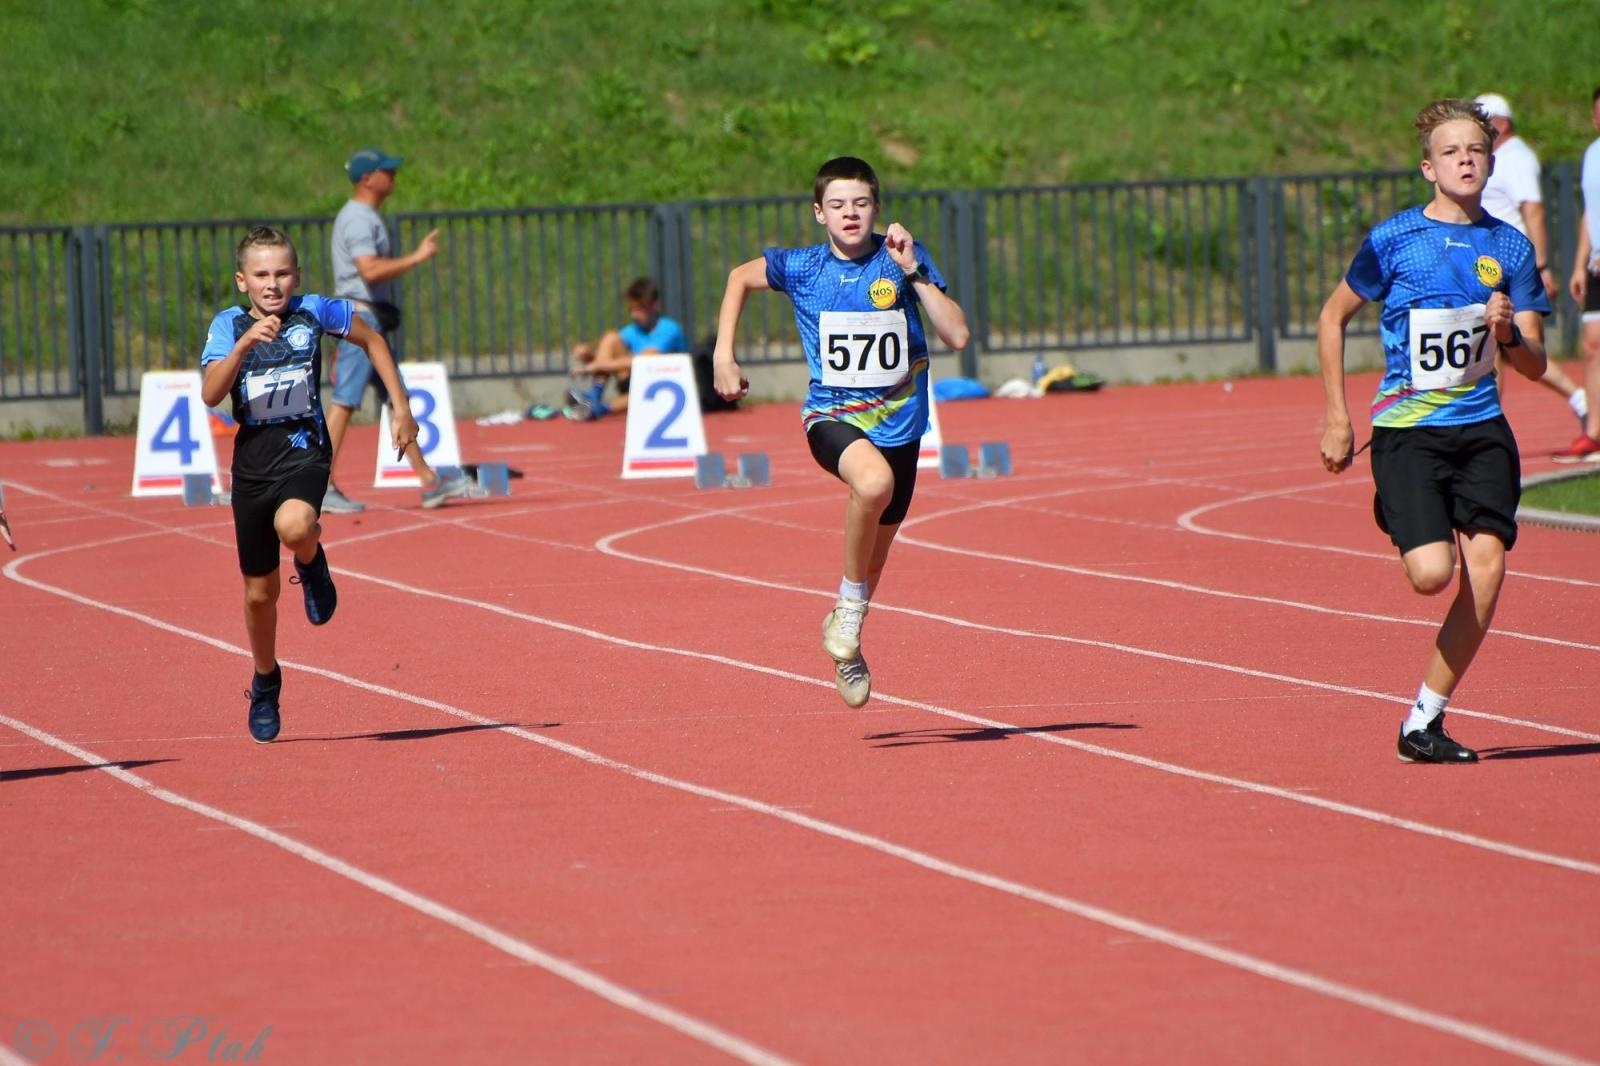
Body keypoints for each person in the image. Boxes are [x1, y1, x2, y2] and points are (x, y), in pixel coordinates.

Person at [1317, 99, 1550, 763]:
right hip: (1407, 432)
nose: (1465, 160)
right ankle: (1396, 506)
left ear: (1492, 160)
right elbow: (1331, 318)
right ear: (1429, 167)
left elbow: (1532, 364)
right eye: (1451, 152)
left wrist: (1507, 334)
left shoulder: (1509, 247)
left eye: (1475, 150)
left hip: (1480, 429)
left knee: (1487, 571)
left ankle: (1424, 720)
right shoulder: (1394, 239)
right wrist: (1337, 415)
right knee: (1429, 576)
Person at [712, 156, 970, 708]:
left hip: (902, 426)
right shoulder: (802, 267)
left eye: (860, 203)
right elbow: (738, 278)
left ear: (877, 209)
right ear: (818, 213)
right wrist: (722, 356)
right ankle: (849, 611)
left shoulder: (902, 260)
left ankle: (846, 639)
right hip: (832, 418)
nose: (849, 214)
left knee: (876, 555)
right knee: (872, 485)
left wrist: (914, 273)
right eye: (837, 205)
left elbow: (958, 335)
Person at [201, 227, 418, 742]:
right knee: (259, 595)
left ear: (295, 276)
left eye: (281, 274)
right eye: (261, 275)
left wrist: (401, 406)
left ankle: (311, 559)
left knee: (296, 524)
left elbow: (371, 337)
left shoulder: (314, 311)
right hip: (252, 464)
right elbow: (211, 394)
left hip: (304, 450)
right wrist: (243, 347)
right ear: (242, 281)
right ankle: (266, 678)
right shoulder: (227, 325)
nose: (272, 284)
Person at [323, 147, 473, 512]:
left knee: (396, 397)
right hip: (360, 319)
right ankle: (320, 483)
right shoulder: (358, 218)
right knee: (345, 401)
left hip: (368, 319)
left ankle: (429, 479)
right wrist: (418, 258)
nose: (393, 177)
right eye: (385, 171)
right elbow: (370, 270)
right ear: (366, 179)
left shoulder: (364, 216)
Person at [1475, 92, 1588, 428]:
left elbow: (1533, 211)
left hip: (1506, 264)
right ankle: (1579, 397)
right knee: (1505, 347)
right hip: (1487, 263)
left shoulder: (1515, 157)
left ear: (1502, 123)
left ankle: (1486, 423)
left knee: (1496, 342)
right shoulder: (1499, 157)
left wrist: (1540, 265)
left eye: (1484, 120)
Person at [565, 277, 689, 420]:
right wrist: (588, 356)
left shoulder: (669, 329)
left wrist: (593, 366)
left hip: (665, 388)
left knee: (644, 390)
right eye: (631, 309)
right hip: (638, 379)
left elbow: (644, 360)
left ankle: (599, 409)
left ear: (655, 305)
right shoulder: (634, 330)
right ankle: (594, 393)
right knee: (610, 338)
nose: (634, 315)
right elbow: (610, 361)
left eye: (640, 309)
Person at [1556, 87, 1600, 462]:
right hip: (1597, 264)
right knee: (1592, 345)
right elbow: (1590, 212)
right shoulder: (1592, 154)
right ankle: (1595, 431)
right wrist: (1579, 262)